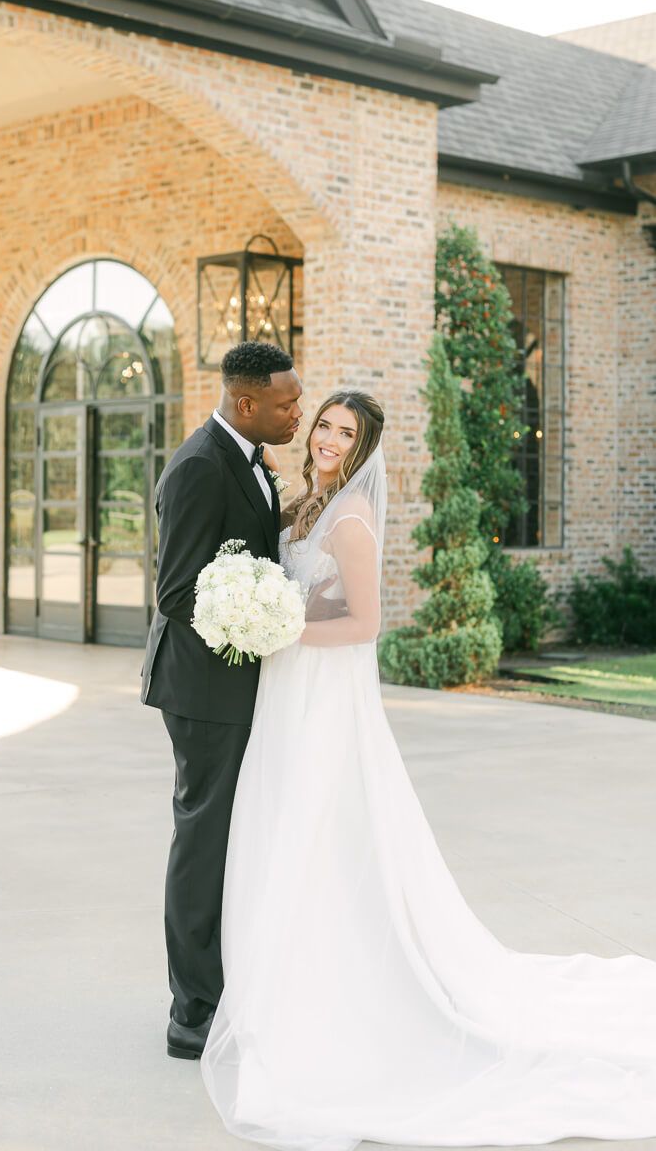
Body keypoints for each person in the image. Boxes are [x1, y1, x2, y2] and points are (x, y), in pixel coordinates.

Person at [200, 388, 656, 1150]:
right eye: (324, 426)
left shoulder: (349, 517)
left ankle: (333, 991)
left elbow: (366, 622)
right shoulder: (309, 503)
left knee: (323, 828)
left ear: (363, 446)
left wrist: (278, 627)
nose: (328, 439)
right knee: (288, 824)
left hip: (321, 694)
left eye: (346, 433)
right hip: (289, 694)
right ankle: (287, 984)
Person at [141, 340, 303, 1061]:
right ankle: (192, 1012)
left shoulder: (249, 456)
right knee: (203, 841)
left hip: (240, 682)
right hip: (205, 690)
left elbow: (247, 546)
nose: (296, 412)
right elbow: (177, 593)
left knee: (234, 837)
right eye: (285, 404)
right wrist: (263, 616)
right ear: (246, 405)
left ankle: (232, 984)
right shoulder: (201, 466)